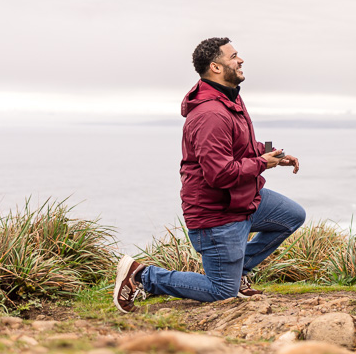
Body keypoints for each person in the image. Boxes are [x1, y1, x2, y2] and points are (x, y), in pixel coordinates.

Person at [113, 37, 305, 311]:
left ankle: (237, 271)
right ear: (215, 67)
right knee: (221, 291)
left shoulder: (229, 98)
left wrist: (274, 153)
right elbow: (220, 174)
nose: (240, 60)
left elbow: (240, 146)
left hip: (241, 199)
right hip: (217, 213)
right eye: (234, 56)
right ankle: (142, 276)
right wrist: (262, 164)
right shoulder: (211, 113)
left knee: (291, 216)